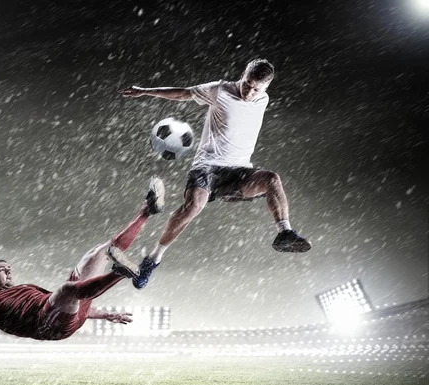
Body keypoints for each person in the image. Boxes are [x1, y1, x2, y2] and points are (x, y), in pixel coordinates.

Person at [0, 176, 165, 378]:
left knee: (96, 253)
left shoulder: (26, 288)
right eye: (3, 269)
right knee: (68, 289)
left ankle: (145, 211)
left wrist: (106, 314)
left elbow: (74, 306)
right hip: (48, 325)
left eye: (9, 267)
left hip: (63, 311)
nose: (9, 271)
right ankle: (121, 273)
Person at [119, 58, 311, 290]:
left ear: (266, 89)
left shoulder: (263, 99)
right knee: (193, 207)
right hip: (207, 167)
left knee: (272, 179)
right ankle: (153, 260)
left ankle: (285, 233)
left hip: (239, 171)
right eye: (247, 84)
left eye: (256, 89)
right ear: (242, 76)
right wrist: (146, 92)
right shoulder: (220, 90)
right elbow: (184, 93)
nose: (249, 92)